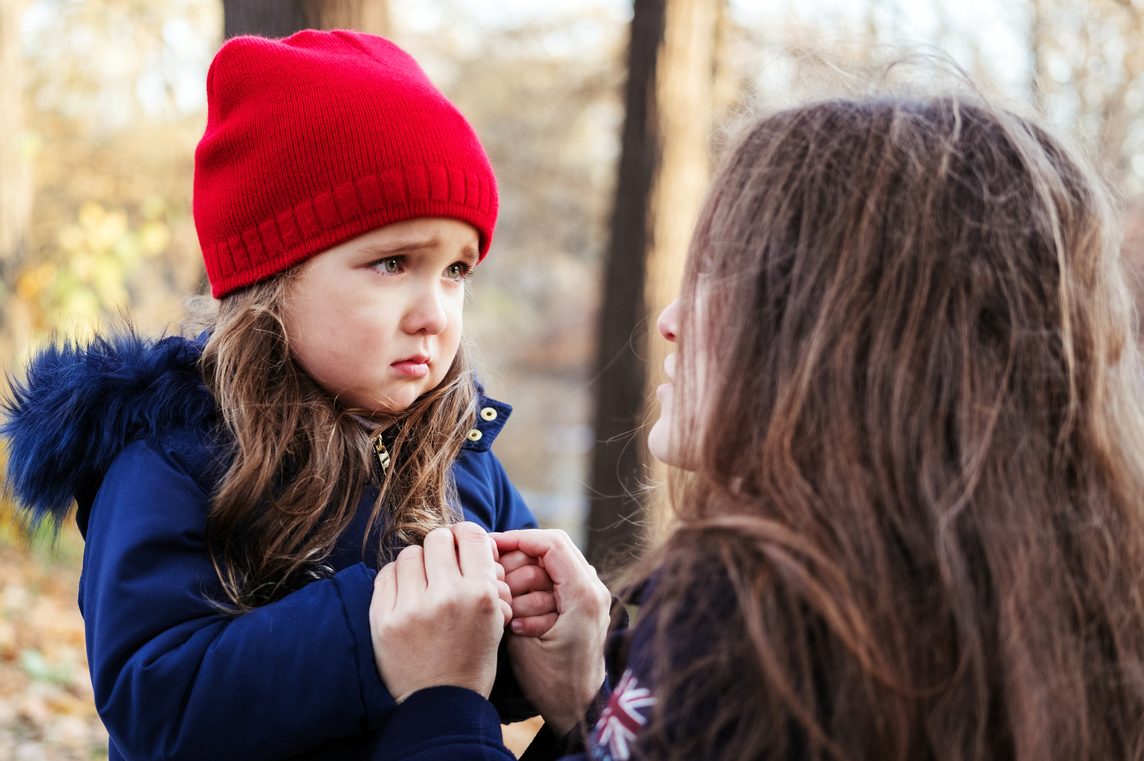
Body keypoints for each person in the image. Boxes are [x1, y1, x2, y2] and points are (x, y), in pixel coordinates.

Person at [362, 88, 1144, 760]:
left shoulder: (755, 624)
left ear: (847, 338)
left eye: (723, 276)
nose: (670, 319)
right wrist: (588, 702)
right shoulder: (1047, 623)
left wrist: (441, 700)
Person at [1, 30, 556, 761]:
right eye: (393, 263)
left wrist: (534, 623)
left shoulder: (462, 453)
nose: (435, 313)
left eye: (456, 271)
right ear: (273, 276)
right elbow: (153, 700)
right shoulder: (175, 461)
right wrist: (372, 635)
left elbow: (485, 670)